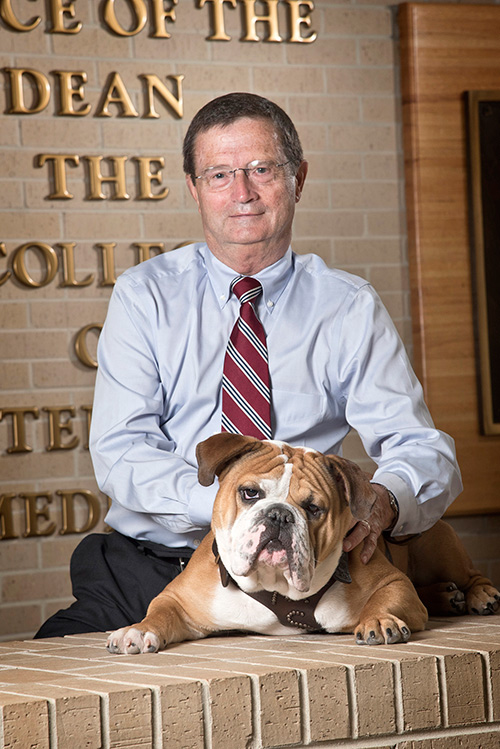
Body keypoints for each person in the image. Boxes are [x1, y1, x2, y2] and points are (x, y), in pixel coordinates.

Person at [35, 92, 462, 638]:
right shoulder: (145, 296)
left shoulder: (348, 306)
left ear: (298, 178)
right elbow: (122, 452)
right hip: (154, 567)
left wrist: (383, 502)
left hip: (308, 575)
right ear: (193, 188)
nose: (242, 192)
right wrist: (237, 505)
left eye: (262, 169)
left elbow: (423, 449)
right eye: (218, 174)